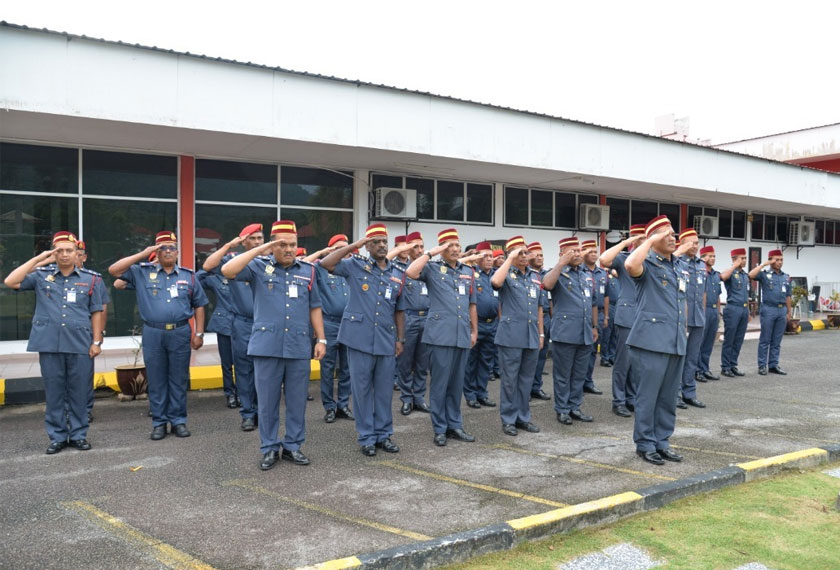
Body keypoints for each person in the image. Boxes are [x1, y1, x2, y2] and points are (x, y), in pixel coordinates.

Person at [221, 220, 326, 469]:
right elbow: (227, 271)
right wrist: (260, 249)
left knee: (297, 400)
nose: (289, 249)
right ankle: (269, 447)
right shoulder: (257, 266)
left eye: (293, 245)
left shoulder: (308, 270)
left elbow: (315, 306)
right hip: (267, 345)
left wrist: (320, 338)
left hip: (298, 345)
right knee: (267, 401)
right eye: (283, 245)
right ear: (273, 245)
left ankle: (293, 446)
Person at [5, 232, 105, 454]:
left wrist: (96, 341)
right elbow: (11, 281)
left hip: (80, 343)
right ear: (53, 252)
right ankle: (58, 437)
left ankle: (79, 435)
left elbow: (97, 311)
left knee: (79, 392)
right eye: (59, 250)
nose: (64, 254)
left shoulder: (92, 279)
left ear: (77, 253)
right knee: (54, 393)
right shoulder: (41, 275)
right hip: (49, 344)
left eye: (69, 250)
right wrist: (41, 258)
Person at [108, 231, 207, 440]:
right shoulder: (141, 272)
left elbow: (199, 305)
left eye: (172, 247)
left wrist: (199, 333)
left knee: (178, 379)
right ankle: (159, 422)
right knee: (157, 379)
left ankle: (178, 421)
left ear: (178, 252)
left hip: (180, 332)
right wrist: (143, 253)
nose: (168, 251)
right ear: (156, 251)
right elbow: (114, 271)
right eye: (163, 248)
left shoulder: (188, 276)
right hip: (153, 332)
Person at [320, 224, 406, 456]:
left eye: (383, 242)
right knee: (362, 390)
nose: (380, 245)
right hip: (359, 338)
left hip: (386, 339)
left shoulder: (397, 272)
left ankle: (384, 435)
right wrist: (354, 245)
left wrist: (400, 338)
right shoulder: (354, 265)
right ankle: (366, 437)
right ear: (367, 246)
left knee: (384, 391)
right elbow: (326, 264)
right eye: (375, 242)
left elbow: (399, 309)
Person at [406, 228, 478, 447]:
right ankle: (439, 428)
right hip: (439, 336)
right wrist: (430, 253)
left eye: (457, 245)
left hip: (462, 334)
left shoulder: (468, 271)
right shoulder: (432, 268)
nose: (455, 249)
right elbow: (410, 272)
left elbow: (472, 304)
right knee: (439, 385)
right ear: (442, 249)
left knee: (456, 385)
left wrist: (474, 331)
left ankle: (454, 425)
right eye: (450, 246)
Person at [624, 215, 687, 466]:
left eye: (673, 234)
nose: (673, 238)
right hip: (650, 341)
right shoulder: (647, 263)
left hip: (674, 340)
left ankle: (662, 442)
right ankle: (645, 444)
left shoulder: (677, 266)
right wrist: (650, 241)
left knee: (668, 397)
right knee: (648, 397)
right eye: (667, 234)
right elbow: (630, 265)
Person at [203, 224, 264, 431]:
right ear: (244, 241)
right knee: (244, 369)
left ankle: (262, 412)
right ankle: (248, 413)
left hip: (265, 324)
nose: (257, 242)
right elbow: (208, 266)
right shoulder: (232, 261)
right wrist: (230, 244)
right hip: (243, 324)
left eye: (259, 238)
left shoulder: (269, 262)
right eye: (252, 239)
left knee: (264, 371)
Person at [491, 236, 544, 436]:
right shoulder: (505, 274)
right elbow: (495, 281)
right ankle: (508, 419)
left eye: (525, 252)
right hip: (511, 336)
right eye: (518, 253)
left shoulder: (534, 276)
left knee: (526, 379)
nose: (523, 256)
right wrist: (509, 258)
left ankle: (523, 417)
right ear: (510, 254)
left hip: (531, 335)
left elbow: (539, 307)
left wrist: (541, 333)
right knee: (509, 380)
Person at [542, 237, 597, 425]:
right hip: (565, 332)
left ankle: (575, 407)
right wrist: (560, 264)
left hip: (584, 332)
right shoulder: (557, 272)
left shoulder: (585, 273)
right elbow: (547, 285)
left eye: (578, 250)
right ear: (562, 254)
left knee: (579, 374)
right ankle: (562, 409)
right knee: (563, 374)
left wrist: (594, 326)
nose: (577, 253)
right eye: (571, 251)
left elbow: (592, 302)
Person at [305, 235, 355, 423]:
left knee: (347, 368)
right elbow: (301, 263)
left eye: (346, 248)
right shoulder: (319, 268)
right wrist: (321, 253)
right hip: (329, 324)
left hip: (349, 324)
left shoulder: (351, 267)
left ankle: (343, 404)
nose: (343, 251)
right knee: (327, 368)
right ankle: (329, 407)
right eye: (338, 248)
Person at [598, 224, 646, 418]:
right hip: (627, 316)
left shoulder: (649, 260)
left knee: (637, 362)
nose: (643, 241)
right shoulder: (623, 259)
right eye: (639, 237)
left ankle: (631, 398)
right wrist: (625, 242)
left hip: (643, 316)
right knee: (623, 361)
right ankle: (618, 400)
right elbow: (604, 259)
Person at [388, 231, 432, 415]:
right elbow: (382, 262)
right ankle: (406, 398)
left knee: (423, 362)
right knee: (405, 362)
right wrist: (401, 248)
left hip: (427, 317)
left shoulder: (429, 268)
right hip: (408, 317)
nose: (420, 250)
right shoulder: (397, 268)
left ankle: (419, 397)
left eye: (422, 246)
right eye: (415, 246)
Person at [76, 240, 110, 423]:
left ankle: (86, 409)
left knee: (84, 375)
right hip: (66, 334)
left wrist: (99, 334)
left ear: (84, 257)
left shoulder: (93, 278)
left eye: (79, 254)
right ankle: (67, 410)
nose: (75, 257)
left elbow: (101, 307)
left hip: (86, 333)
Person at [197, 264, 238, 409]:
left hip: (243, 324)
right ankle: (230, 394)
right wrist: (209, 267)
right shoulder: (217, 280)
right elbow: (196, 279)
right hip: (224, 324)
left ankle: (242, 392)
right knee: (227, 363)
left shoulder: (245, 276)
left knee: (243, 362)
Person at [463, 242, 498, 409]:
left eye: (491, 256)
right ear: (477, 258)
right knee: (471, 362)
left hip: (493, 324)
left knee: (486, 361)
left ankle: (482, 393)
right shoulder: (470, 273)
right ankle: (470, 395)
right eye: (485, 256)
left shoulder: (496, 275)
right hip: (476, 324)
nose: (489, 259)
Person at [675, 228, 706, 409]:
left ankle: (689, 393)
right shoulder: (677, 261)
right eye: (691, 242)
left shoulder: (701, 265)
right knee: (679, 357)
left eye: (697, 242)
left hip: (698, 317)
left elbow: (701, 293)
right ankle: (676, 394)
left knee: (692, 358)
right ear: (682, 243)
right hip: (681, 318)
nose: (695, 246)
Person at [749, 249, 791, 376]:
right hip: (769, 309)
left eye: (781, 260)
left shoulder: (786, 276)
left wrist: (789, 311)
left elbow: (788, 296)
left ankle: (773, 364)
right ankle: (762, 365)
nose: (779, 262)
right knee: (765, 339)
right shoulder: (764, 274)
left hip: (781, 309)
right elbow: (751, 275)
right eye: (776, 259)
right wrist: (764, 264)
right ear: (771, 260)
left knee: (777, 340)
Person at [581, 239, 607, 396]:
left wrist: (606, 317)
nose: (593, 254)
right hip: (581, 315)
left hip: (598, 314)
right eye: (589, 252)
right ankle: (579, 381)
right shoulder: (580, 271)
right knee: (581, 352)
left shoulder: (602, 273)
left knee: (592, 352)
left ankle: (588, 381)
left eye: (595, 252)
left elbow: (606, 296)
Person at [527, 242, 552, 401]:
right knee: (530, 357)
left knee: (542, 356)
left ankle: (536, 387)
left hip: (547, 317)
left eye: (541, 255)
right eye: (535, 255)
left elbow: (551, 300)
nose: (539, 258)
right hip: (531, 318)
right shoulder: (527, 274)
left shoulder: (547, 274)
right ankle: (526, 388)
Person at [720, 248, 750, 377]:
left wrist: (748, 311)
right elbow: (723, 277)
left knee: (738, 340)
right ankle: (725, 367)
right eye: (741, 258)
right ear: (734, 259)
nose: (744, 261)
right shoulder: (730, 272)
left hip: (743, 309)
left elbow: (746, 294)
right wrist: (734, 266)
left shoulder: (744, 275)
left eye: (745, 258)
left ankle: (733, 365)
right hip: (733, 308)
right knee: (729, 339)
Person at [697, 246, 722, 381]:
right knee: (699, 342)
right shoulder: (700, 272)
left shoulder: (716, 275)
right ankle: (697, 370)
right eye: (709, 256)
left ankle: (705, 368)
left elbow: (718, 295)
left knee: (708, 342)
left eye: (714, 256)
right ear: (703, 257)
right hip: (703, 309)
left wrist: (718, 312)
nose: (712, 258)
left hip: (713, 310)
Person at [601, 268, 620, 366]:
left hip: (619, 306)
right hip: (610, 306)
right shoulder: (606, 275)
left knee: (615, 333)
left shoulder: (620, 277)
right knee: (607, 334)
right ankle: (604, 357)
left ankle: (612, 356)